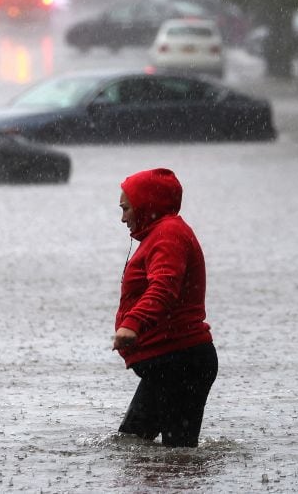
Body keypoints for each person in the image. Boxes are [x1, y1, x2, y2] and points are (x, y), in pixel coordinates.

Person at [112, 168, 218, 448]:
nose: (122, 218)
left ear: (147, 204)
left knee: (178, 455)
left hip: (181, 361)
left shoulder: (169, 234)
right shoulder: (161, 233)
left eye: (126, 209)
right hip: (171, 362)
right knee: (131, 445)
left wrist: (132, 323)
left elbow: (164, 286)